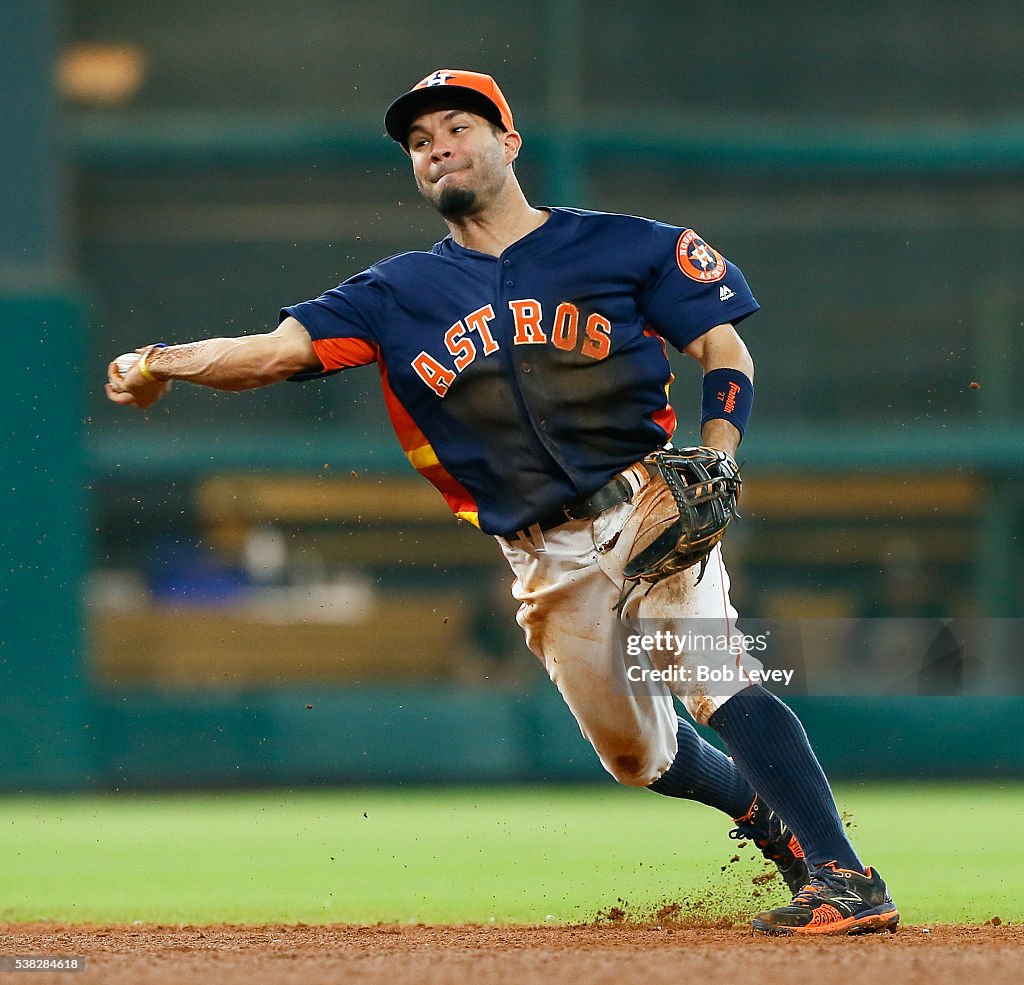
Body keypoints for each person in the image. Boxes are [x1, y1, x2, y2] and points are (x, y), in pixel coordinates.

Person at [106, 69, 898, 935]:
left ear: (509, 143)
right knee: (638, 756)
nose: (437, 145)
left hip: (646, 504)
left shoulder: (626, 246)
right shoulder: (395, 293)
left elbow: (724, 346)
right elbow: (271, 351)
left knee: (712, 672)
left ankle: (846, 876)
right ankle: (777, 823)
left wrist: (719, 455)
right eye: (419, 141)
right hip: (538, 553)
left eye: (457, 127)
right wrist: (160, 362)